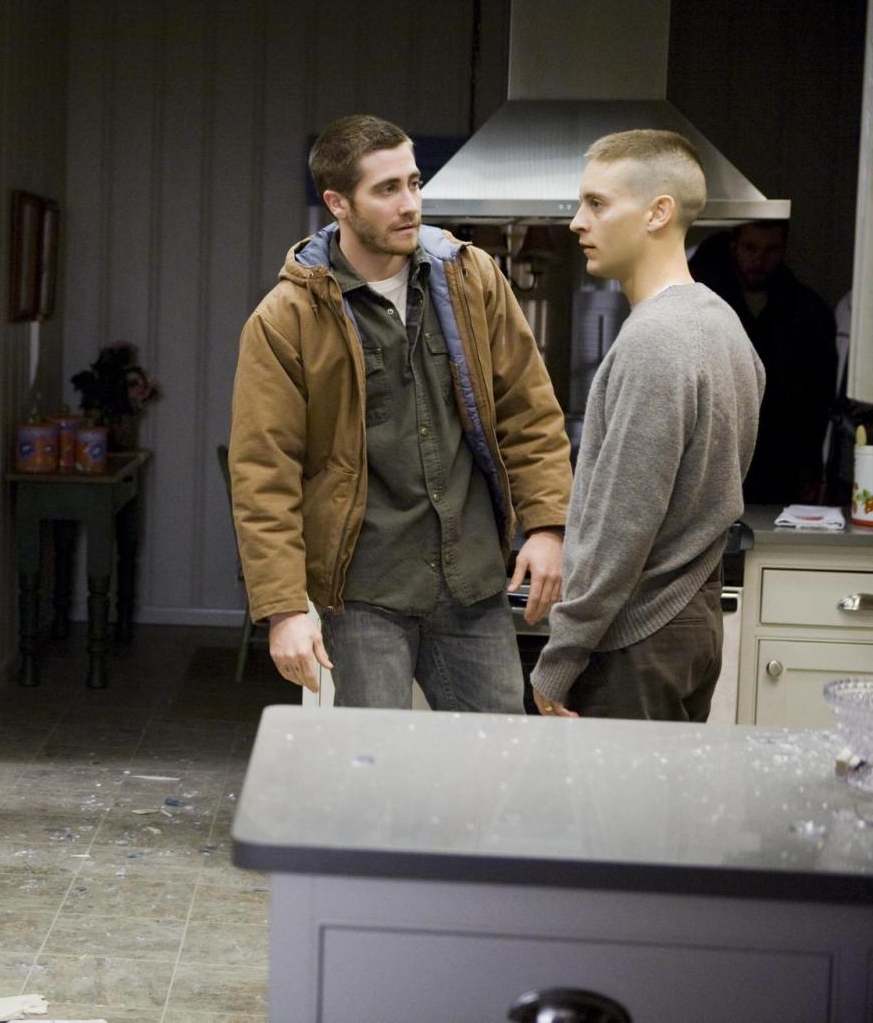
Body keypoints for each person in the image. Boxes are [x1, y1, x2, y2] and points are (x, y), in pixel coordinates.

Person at [228, 114, 573, 711]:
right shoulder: (287, 318)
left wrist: (547, 527)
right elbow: (264, 472)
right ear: (337, 203)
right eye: (386, 189)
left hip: (471, 580)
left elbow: (529, 412)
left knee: (498, 758)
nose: (409, 203)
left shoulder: (471, 279)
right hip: (366, 592)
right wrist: (283, 609)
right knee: (374, 763)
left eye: (414, 183)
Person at [531, 129, 764, 721]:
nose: (578, 222)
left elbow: (623, 523)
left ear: (659, 212)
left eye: (597, 203)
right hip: (690, 621)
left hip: (636, 634)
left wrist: (562, 655)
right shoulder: (722, 323)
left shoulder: (656, 340)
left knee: (613, 789)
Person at [689, 220, 836, 503]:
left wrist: (813, 469)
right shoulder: (705, 303)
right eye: (750, 248)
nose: (759, 260)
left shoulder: (808, 312)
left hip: (783, 465)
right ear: (734, 248)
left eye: (771, 250)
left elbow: (819, 400)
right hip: (714, 461)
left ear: (783, 251)